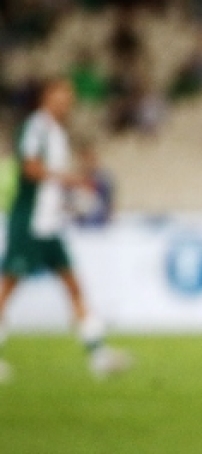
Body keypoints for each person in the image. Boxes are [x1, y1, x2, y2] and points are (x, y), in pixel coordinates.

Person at [0, 78, 131, 382]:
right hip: (29, 223)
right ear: (46, 97)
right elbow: (30, 168)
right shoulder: (35, 128)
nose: (66, 103)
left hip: (50, 225)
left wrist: (68, 200)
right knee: (7, 289)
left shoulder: (58, 133)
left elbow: (50, 183)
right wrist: (71, 181)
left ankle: (98, 355)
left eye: (69, 98)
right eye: (60, 97)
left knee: (73, 286)